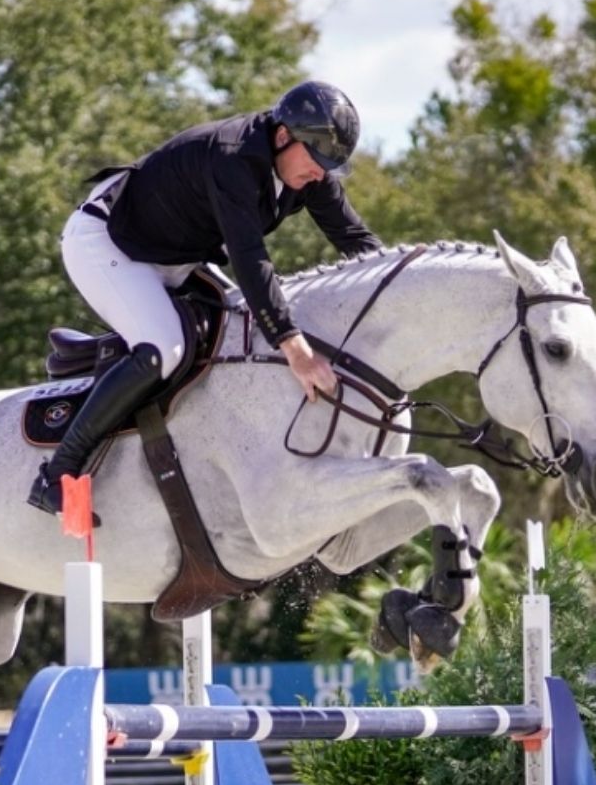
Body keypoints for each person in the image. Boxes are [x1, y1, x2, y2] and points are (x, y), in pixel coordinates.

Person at [26, 80, 384, 513]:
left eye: (330, 165)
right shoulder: (231, 157)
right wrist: (296, 347)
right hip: (107, 242)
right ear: (284, 136)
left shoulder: (309, 171)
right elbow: (251, 261)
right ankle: (58, 472)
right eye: (316, 161)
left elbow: (355, 239)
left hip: (176, 253)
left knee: (243, 335)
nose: (320, 174)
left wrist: (399, 282)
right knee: (165, 347)